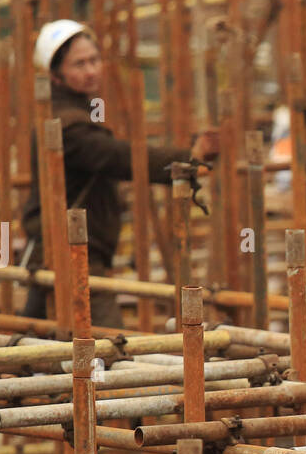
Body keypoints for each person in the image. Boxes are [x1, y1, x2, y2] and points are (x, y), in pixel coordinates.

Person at [20, 20, 219, 330]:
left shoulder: (72, 114)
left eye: (94, 60)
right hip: (71, 253)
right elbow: (118, 156)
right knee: (106, 346)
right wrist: (187, 158)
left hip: (70, 249)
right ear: (56, 74)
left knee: (36, 338)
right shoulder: (65, 126)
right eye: (79, 64)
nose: (91, 70)